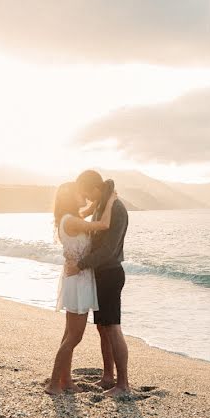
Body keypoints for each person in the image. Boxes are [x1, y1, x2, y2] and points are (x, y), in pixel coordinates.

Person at [45, 182, 117, 395]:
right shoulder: (72, 222)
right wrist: (111, 201)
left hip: (76, 280)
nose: (83, 195)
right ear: (70, 197)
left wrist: (97, 200)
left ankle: (65, 381)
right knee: (75, 336)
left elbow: (87, 211)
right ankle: (53, 383)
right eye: (79, 192)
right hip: (79, 282)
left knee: (69, 333)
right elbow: (103, 225)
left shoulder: (68, 218)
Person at [66, 170, 131, 397]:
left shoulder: (116, 208)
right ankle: (108, 377)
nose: (85, 196)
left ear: (94, 187)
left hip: (111, 274)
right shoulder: (103, 204)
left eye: (85, 192)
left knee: (112, 327)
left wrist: (80, 264)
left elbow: (109, 250)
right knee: (103, 328)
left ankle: (123, 385)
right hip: (100, 275)